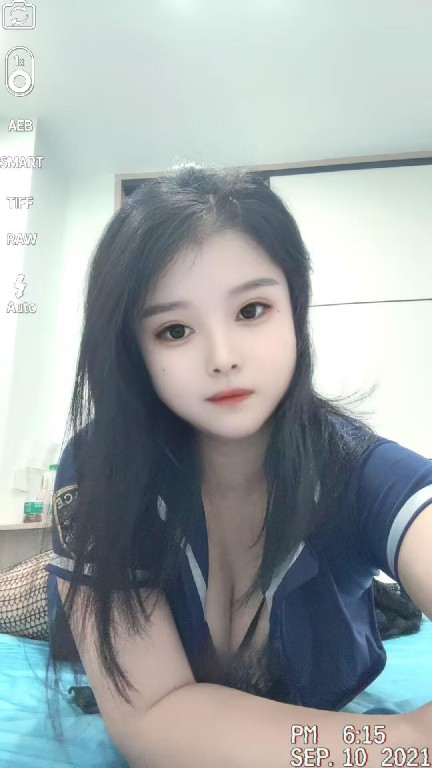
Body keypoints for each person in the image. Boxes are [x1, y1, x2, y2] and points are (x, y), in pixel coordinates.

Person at [44, 163, 432, 766]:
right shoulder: (103, 470)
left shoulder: (360, 470)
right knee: (25, 598)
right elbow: (153, 719)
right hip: (93, 575)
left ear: (295, 308)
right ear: (133, 350)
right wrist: (398, 743)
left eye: (251, 310)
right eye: (175, 330)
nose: (222, 357)